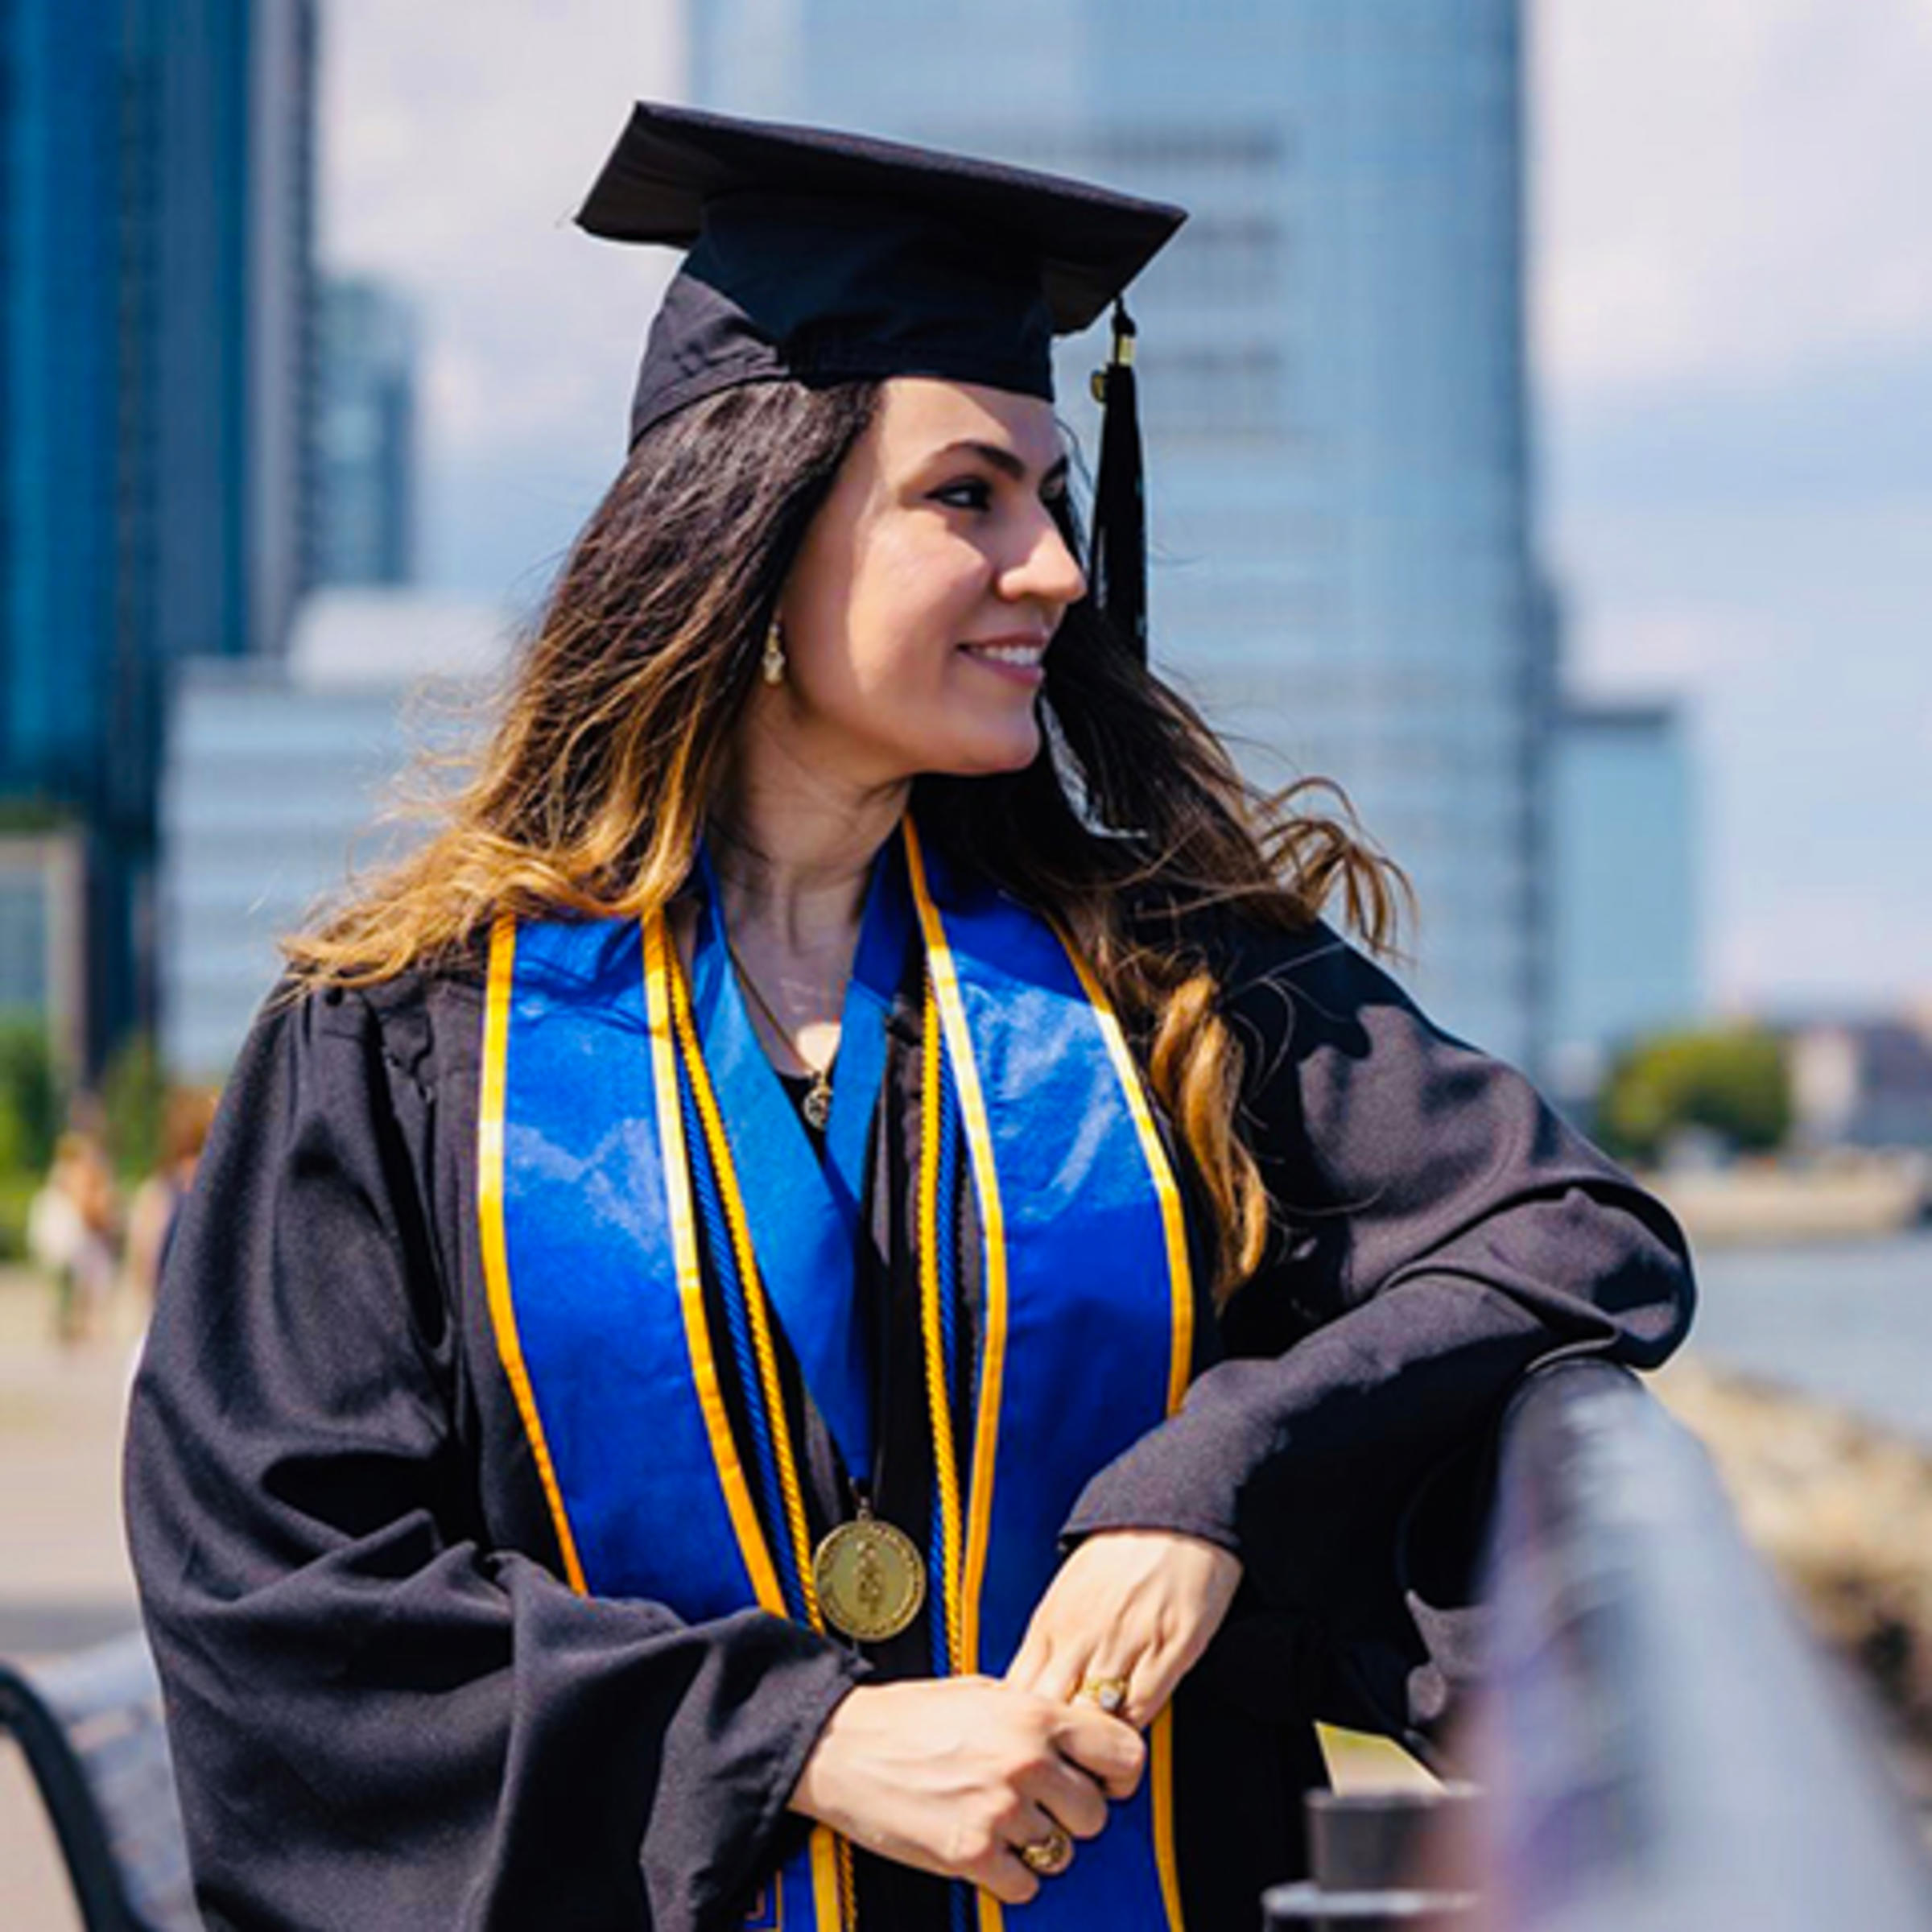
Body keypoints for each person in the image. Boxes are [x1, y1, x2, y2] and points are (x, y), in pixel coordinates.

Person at [124, 102, 1694, 1932]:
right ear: (752, 544)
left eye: (1051, 495)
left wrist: (1216, 1471)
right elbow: (281, 1593)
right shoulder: (403, 1048)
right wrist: (797, 1748)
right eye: (970, 496)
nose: (1056, 569)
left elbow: (1569, 1237)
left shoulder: (1159, 983)